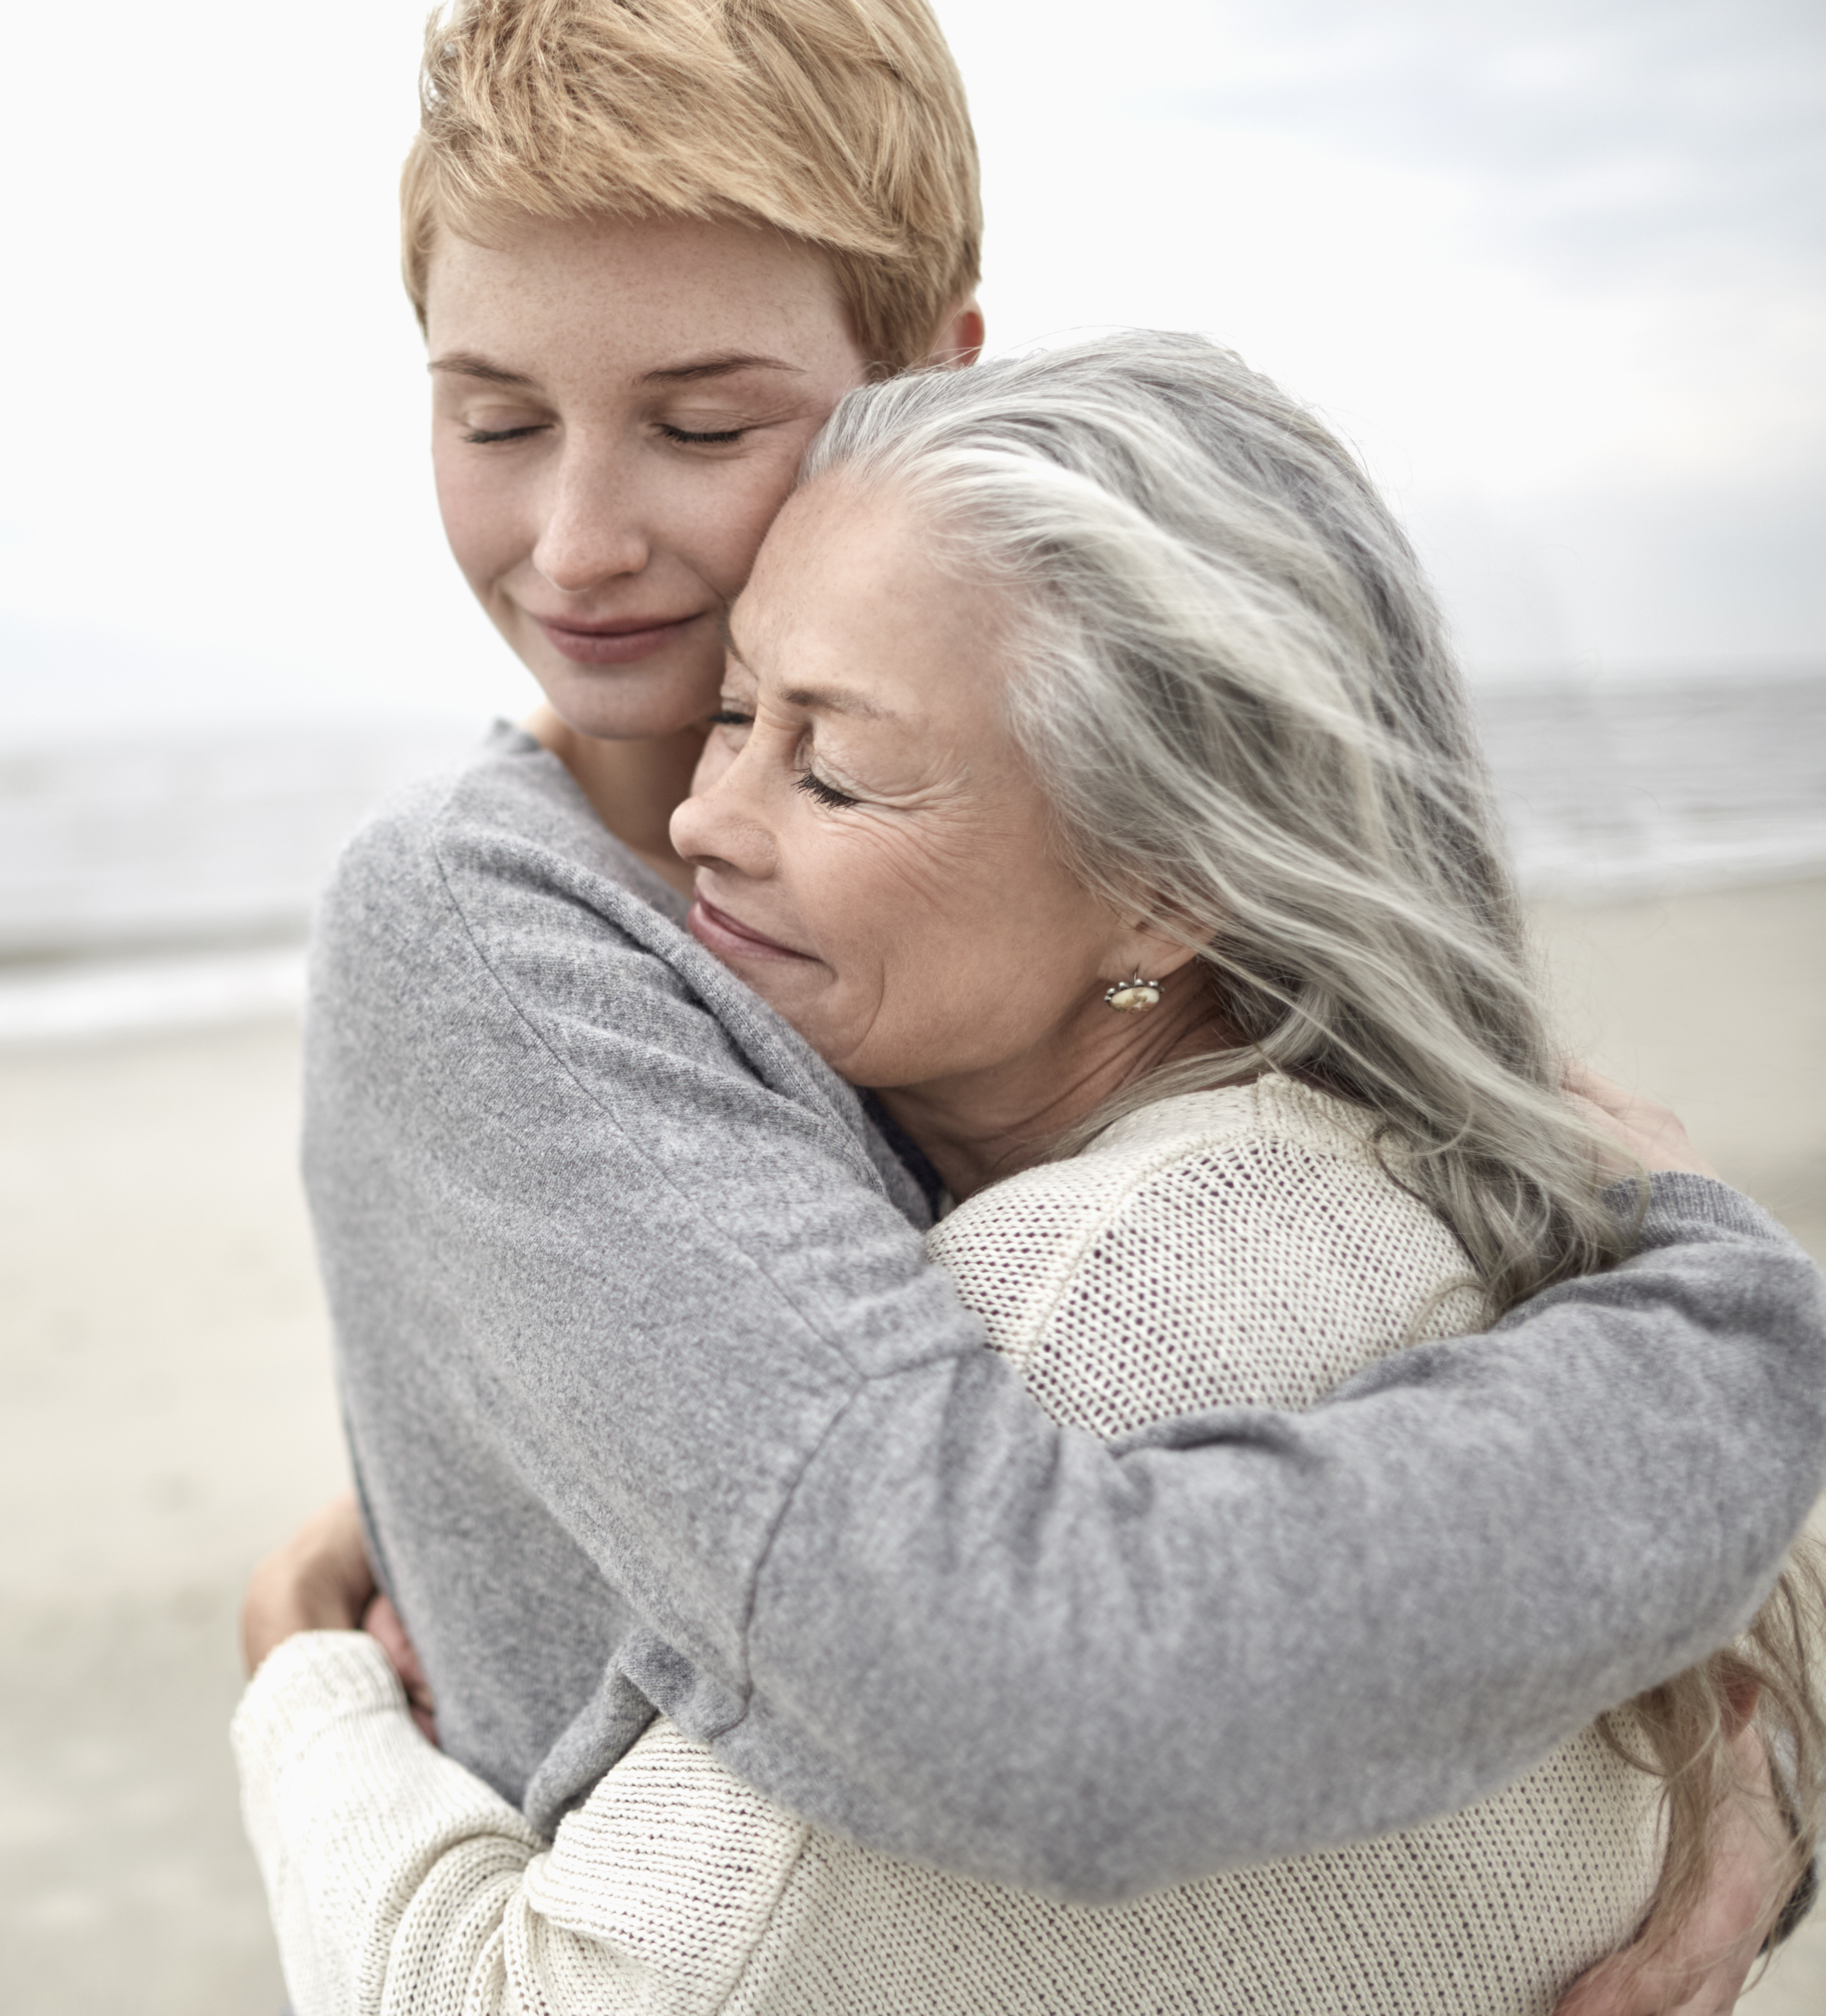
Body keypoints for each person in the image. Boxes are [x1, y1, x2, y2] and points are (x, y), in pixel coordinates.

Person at [237, 0, 1826, 2008]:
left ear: (923, 379)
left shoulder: (1122, 849)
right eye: (492, 420)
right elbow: (1004, 1670)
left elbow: (1493, 1244)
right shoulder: (500, 931)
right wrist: (1738, 1344)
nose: (579, 543)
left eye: (706, 425)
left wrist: (1757, 1772)